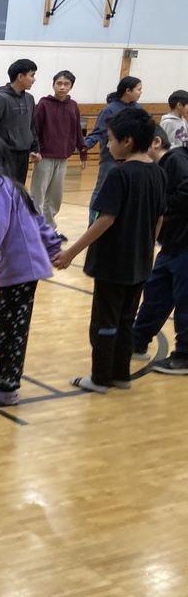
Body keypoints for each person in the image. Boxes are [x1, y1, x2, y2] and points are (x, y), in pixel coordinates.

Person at [53, 108, 166, 393]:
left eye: (111, 138)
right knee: (127, 319)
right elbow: (160, 217)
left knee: (104, 321)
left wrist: (71, 252)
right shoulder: (157, 172)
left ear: (127, 141)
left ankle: (100, 378)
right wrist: (147, 246)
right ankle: (121, 375)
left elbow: (105, 218)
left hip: (113, 263)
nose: (107, 143)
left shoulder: (119, 175)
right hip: (141, 262)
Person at [0, 134, 61, 404]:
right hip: (24, 266)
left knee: (11, 326)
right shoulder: (5, 183)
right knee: (5, 320)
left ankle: (7, 387)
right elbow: (37, 218)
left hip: (22, 266)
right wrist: (53, 247)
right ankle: (4, 373)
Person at [132, 124, 188, 374]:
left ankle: (185, 355)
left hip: (185, 245)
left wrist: (159, 211)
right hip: (171, 246)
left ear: (155, 142)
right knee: (155, 293)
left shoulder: (175, 159)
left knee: (184, 302)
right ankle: (137, 341)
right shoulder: (156, 170)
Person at [31, 70, 85, 240]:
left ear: (71, 87)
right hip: (44, 157)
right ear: (53, 85)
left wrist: (82, 151)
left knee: (55, 196)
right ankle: (34, 229)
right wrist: (35, 150)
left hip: (63, 157)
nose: (62, 87)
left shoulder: (73, 106)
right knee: (38, 194)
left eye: (66, 84)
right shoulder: (43, 105)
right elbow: (35, 130)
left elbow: (77, 131)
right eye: (59, 83)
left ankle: (49, 229)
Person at [85, 76, 142, 224]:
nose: (140, 93)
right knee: (102, 191)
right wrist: (83, 146)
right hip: (111, 159)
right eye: (138, 89)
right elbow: (98, 132)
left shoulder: (138, 109)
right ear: (127, 91)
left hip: (132, 159)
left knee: (127, 193)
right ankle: (93, 224)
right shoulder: (110, 109)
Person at [0, 58, 39, 186]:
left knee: (18, 192)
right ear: (20, 77)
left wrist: (35, 148)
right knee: (4, 191)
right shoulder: (2, 99)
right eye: (32, 75)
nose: (34, 80)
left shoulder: (29, 99)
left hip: (24, 155)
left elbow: (31, 126)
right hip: (5, 156)